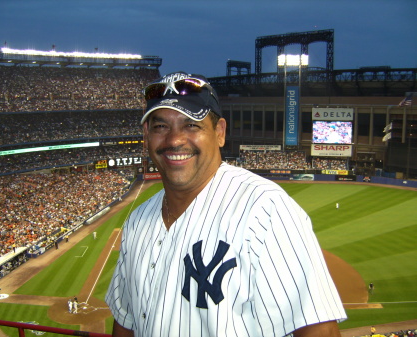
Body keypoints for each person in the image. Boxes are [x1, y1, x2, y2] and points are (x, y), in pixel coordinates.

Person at [105, 72, 347, 337]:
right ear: (146, 135)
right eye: (160, 126)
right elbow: (125, 322)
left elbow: (318, 330)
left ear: (219, 132)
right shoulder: (137, 221)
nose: (174, 140)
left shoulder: (265, 210)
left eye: (191, 125)